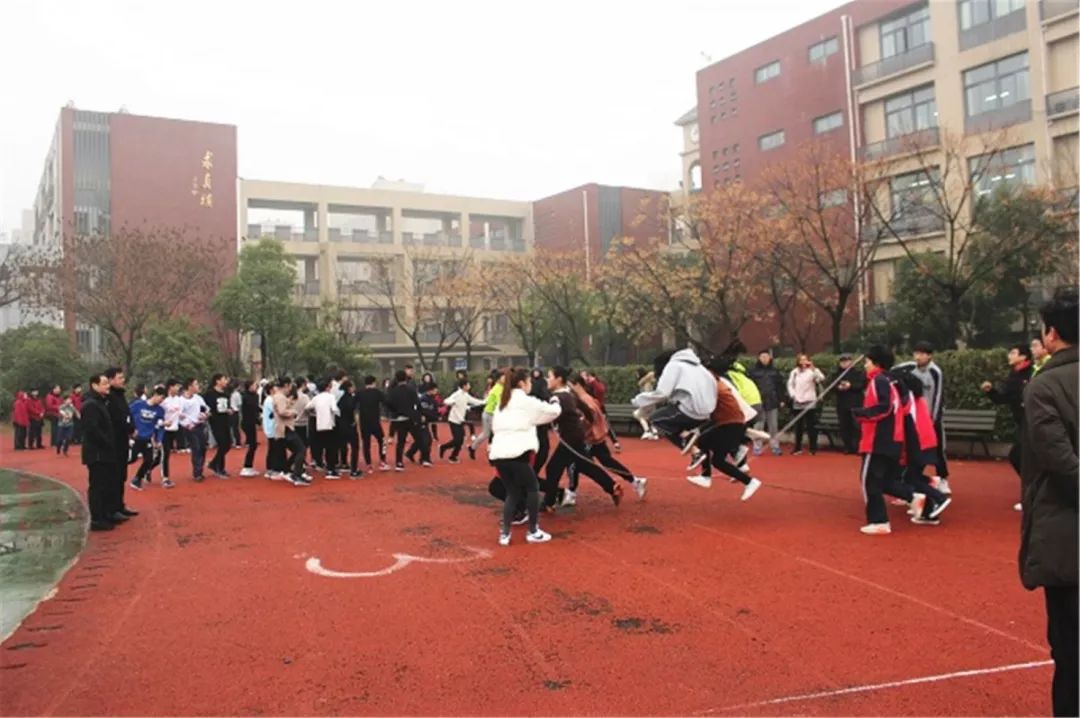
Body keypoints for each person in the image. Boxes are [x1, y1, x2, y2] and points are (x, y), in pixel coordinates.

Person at [1018, 289, 1078, 718]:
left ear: (1052, 334)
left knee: (1071, 650)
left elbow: (1060, 462)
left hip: (1066, 537)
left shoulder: (1044, 386)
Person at [852, 346, 927, 536]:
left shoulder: (879, 381)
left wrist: (861, 414)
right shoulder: (888, 381)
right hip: (891, 439)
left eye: (867, 361)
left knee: (869, 480)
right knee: (884, 481)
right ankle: (913, 496)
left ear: (876, 363)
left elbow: (885, 408)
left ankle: (879, 521)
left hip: (878, 439)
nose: (865, 365)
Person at [489, 367, 562, 546]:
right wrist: (555, 400)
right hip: (518, 453)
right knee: (532, 488)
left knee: (512, 493)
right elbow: (552, 412)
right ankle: (533, 530)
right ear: (522, 383)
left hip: (499, 454)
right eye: (529, 381)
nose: (530, 384)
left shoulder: (502, 402)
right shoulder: (526, 401)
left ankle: (505, 534)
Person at [543, 367, 623, 509]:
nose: (547, 379)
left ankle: (549, 502)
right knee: (585, 465)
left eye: (550, 376)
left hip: (569, 439)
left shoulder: (558, 398)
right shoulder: (570, 395)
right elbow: (587, 412)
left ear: (559, 379)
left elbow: (552, 414)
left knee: (553, 468)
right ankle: (612, 487)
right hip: (575, 437)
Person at [686, 358, 764, 501]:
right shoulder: (719, 382)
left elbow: (705, 409)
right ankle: (742, 464)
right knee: (712, 454)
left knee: (702, 443)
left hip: (730, 424)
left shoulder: (713, 386)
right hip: (732, 423)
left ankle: (713, 473)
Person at [570, 374, 648, 500]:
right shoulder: (588, 398)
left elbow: (591, 417)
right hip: (597, 437)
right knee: (607, 462)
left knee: (575, 463)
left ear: (577, 385)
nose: (570, 388)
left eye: (571, 385)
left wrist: (580, 425)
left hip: (591, 438)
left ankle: (571, 493)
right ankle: (635, 481)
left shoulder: (585, 399)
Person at [631, 348, 717, 453]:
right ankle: (698, 449)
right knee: (703, 444)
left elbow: (662, 393)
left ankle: (692, 447)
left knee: (656, 419)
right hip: (708, 412)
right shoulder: (699, 367)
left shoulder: (673, 366)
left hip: (691, 410)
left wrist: (638, 400)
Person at [981, 344, 1034, 510]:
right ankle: (1033, 494)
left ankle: (1033, 496)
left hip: (1034, 422)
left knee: (1019, 456)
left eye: (1013, 353)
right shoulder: (1013, 375)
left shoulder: (1033, 373)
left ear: (1024, 357)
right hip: (1022, 423)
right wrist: (991, 392)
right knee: (1020, 457)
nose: (1009, 355)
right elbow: (1003, 398)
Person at [895, 341, 948, 493]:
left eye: (923, 354)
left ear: (930, 356)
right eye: (916, 353)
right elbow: (893, 369)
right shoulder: (910, 368)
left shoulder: (935, 372)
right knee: (915, 452)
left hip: (931, 418)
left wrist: (934, 419)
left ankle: (943, 478)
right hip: (916, 418)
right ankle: (917, 481)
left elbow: (938, 395)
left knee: (938, 450)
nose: (919, 357)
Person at [82, 374, 119, 531]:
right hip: (97, 453)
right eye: (104, 384)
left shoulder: (101, 402)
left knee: (105, 484)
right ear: (94, 385)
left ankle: (104, 514)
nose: (107, 386)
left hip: (104, 452)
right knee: (97, 486)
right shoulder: (90, 405)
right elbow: (93, 430)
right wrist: (107, 442)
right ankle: (97, 519)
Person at [103, 368, 135, 521]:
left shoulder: (121, 395)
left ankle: (120, 505)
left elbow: (127, 415)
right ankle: (112, 508)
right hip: (114, 441)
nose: (122, 380)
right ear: (110, 380)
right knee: (113, 476)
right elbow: (117, 419)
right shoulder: (109, 398)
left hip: (123, 440)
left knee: (122, 474)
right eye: (119, 377)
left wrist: (131, 428)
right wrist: (128, 428)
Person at [128, 386, 166, 491]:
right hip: (135, 438)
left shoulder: (160, 411)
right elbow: (126, 415)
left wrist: (159, 439)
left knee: (149, 460)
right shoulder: (138, 405)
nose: (162, 401)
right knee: (132, 458)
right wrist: (130, 430)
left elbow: (160, 426)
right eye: (161, 398)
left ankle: (137, 479)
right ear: (156, 395)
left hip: (148, 438)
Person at [273, 377, 309, 485]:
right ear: (286, 385)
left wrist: (289, 403)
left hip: (285, 428)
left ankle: (287, 470)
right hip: (285, 428)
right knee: (301, 449)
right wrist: (293, 412)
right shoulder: (279, 397)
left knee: (298, 450)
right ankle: (296, 474)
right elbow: (282, 411)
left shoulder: (280, 397)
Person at [748, 350, 785, 456]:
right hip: (758, 402)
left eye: (766, 357)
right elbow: (750, 387)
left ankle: (775, 446)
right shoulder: (753, 372)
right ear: (759, 358)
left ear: (770, 358)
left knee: (773, 425)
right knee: (758, 425)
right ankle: (757, 447)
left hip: (773, 401)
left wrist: (782, 399)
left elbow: (780, 387)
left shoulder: (775, 372)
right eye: (762, 357)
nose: (764, 359)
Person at [786, 354, 825, 455]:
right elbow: (790, 384)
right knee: (798, 426)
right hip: (797, 401)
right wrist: (793, 395)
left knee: (811, 426)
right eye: (801, 360)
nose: (803, 362)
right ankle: (797, 448)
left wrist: (814, 369)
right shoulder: (794, 372)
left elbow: (821, 378)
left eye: (805, 360)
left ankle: (813, 447)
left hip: (810, 401)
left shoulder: (812, 371)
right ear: (798, 361)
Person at [440, 378, 485, 464]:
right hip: (453, 420)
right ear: (464, 386)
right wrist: (453, 402)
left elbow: (474, 401)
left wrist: (485, 402)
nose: (469, 386)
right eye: (468, 384)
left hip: (460, 420)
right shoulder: (457, 394)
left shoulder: (466, 395)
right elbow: (446, 401)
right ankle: (445, 448)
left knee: (460, 440)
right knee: (458, 439)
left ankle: (452, 456)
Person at [386, 370, 422, 471]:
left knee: (400, 442)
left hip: (398, 418)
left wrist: (394, 412)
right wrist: (417, 415)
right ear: (406, 378)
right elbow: (417, 403)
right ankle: (421, 457)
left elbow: (388, 403)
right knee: (419, 438)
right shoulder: (411, 390)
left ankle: (399, 463)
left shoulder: (393, 391)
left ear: (396, 379)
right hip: (410, 418)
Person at [832, 353, 867, 455]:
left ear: (851, 362)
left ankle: (857, 447)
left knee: (856, 426)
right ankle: (847, 447)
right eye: (842, 362)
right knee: (844, 426)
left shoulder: (858, 373)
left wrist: (850, 386)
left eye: (847, 361)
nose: (844, 363)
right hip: (842, 403)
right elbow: (831, 386)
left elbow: (861, 385)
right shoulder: (836, 374)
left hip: (855, 403)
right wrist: (839, 387)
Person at [310, 377, 342, 478]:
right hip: (330, 425)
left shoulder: (316, 398)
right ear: (327, 387)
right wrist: (338, 414)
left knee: (321, 446)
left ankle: (321, 464)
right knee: (331, 448)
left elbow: (307, 407)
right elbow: (334, 409)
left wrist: (315, 413)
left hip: (319, 425)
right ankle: (331, 470)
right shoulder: (330, 397)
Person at [179, 378, 210, 482]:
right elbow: (179, 416)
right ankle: (197, 473)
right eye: (196, 384)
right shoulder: (181, 400)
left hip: (201, 425)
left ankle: (200, 470)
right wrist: (187, 424)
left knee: (202, 448)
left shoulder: (198, 398)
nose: (198, 386)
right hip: (190, 428)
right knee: (196, 448)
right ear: (190, 386)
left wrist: (205, 415)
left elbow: (206, 409)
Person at [468, 370, 503, 460]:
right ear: (499, 379)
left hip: (492, 414)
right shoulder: (497, 388)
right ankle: (491, 455)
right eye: (504, 377)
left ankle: (473, 448)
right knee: (489, 434)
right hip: (489, 414)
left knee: (489, 434)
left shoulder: (500, 387)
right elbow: (500, 403)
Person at [203, 373, 233, 478]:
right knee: (222, 444)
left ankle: (214, 464)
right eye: (224, 379)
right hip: (215, 422)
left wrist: (229, 410)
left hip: (225, 421)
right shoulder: (210, 394)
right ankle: (219, 468)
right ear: (217, 381)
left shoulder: (225, 394)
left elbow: (226, 406)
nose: (226, 381)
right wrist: (207, 413)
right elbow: (204, 407)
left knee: (228, 444)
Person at [356, 376, 388, 473]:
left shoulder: (359, 393)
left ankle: (368, 464)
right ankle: (383, 461)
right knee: (382, 441)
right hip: (375, 422)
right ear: (374, 382)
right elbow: (386, 402)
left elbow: (354, 404)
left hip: (364, 422)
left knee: (366, 443)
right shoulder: (377, 392)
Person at [159, 380, 184, 489]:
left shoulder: (179, 400)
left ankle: (148, 469)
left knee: (162, 455)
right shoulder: (164, 401)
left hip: (175, 429)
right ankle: (165, 478)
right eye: (176, 386)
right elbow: (158, 414)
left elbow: (181, 413)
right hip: (164, 430)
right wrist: (162, 423)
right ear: (170, 387)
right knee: (165, 454)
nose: (178, 388)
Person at [336, 380, 360, 477]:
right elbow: (353, 412)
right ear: (349, 388)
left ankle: (344, 463)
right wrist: (354, 421)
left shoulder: (341, 399)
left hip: (341, 426)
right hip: (350, 425)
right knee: (355, 447)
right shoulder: (352, 399)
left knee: (343, 446)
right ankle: (354, 470)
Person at [239, 379, 261, 477]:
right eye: (254, 385)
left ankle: (249, 466)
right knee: (252, 444)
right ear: (249, 386)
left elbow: (256, 408)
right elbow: (253, 408)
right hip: (247, 422)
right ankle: (246, 467)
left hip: (252, 422)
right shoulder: (246, 397)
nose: (255, 387)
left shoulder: (255, 396)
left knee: (253, 445)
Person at [262, 382, 283, 479]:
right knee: (274, 449)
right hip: (272, 427)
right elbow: (277, 410)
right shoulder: (270, 400)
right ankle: (272, 469)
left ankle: (272, 468)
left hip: (272, 427)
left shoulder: (271, 399)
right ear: (271, 390)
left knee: (273, 448)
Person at [229, 382, 244, 447]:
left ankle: (237, 442)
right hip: (233, 411)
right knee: (233, 428)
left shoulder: (235, 394)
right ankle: (234, 441)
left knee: (235, 428)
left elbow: (239, 405)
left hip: (234, 411)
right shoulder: (233, 394)